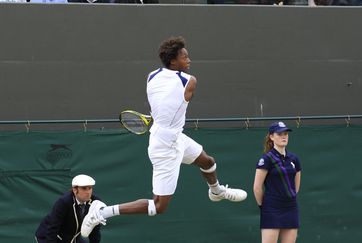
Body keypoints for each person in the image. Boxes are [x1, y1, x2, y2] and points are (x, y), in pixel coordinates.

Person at [80, 36, 247, 237]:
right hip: (165, 147)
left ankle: (217, 192)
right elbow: (177, 101)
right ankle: (101, 212)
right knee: (158, 206)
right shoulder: (190, 81)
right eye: (185, 57)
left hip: (174, 136)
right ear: (173, 61)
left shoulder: (152, 75)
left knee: (207, 161)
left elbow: (162, 103)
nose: (189, 60)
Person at [253, 121, 302, 243]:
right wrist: (263, 206)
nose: (284, 136)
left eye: (285, 133)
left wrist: (290, 197)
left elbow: (296, 186)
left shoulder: (294, 159)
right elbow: (257, 187)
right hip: (272, 208)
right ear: (271, 137)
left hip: (291, 208)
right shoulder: (266, 159)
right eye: (279, 134)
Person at [35, 174, 102, 243]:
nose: (88, 192)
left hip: (72, 238)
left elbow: (94, 229)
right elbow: (52, 229)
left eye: (90, 188)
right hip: (48, 237)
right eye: (84, 188)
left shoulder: (95, 202)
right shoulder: (64, 202)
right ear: (75, 190)